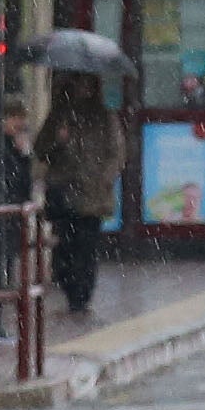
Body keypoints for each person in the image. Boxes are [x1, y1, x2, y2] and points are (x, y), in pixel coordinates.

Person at [28, 70, 120, 318]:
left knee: (86, 247)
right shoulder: (59, 117)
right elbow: (40, 151)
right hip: (63, 194)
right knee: (64, 248)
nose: (81, 90)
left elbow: (116, 154)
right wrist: (58, 140)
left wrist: (103, 180)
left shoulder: (104, 117)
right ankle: (71, 290)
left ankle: (81, 298)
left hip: (91, 195)